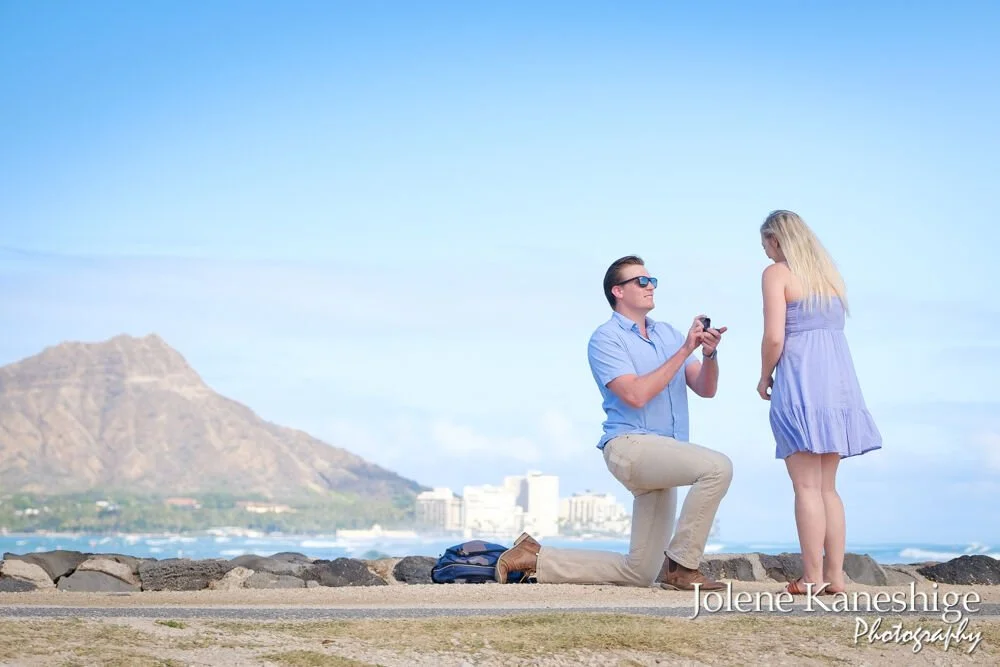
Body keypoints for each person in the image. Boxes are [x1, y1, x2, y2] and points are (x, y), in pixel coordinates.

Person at [495, 255, 734, 590]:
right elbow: (635, 395)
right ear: (617, 291)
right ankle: (682, 567)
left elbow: (705, 389)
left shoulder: (668, 334)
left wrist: (708, 354)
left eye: (652, 281)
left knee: (639, 573)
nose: (650, 286)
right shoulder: (605, 339)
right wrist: (683, 351)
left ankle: (535, 557)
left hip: (665, 452)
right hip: (630, 447)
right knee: (717, 467)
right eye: (641, 281)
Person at [757, 209, 882, 596]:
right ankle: (836, 577)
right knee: (829, 488)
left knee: (806, 488)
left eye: (765, 244)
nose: (765, 252)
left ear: (777, 240)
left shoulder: (777, 273)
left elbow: (775, 337)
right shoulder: (829, 277)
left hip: (801, 382)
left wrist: (764, 375)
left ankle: (811, 577)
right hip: (839, 385)